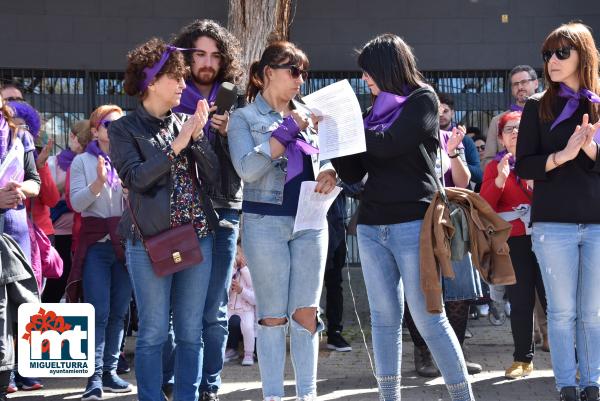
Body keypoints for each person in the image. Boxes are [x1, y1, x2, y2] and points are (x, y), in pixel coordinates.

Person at [331, 34, 475, 401]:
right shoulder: (369, 116)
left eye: (367, 73)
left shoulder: (422, 99)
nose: (365, 81)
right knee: (383, 321)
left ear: (386, 68)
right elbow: (352, 170)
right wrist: (333, 135)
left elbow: (392, 144)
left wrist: (352, 130)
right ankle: (388, 397)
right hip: (371, 225)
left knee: (428, 317)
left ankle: (462, 396)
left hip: (414, 223)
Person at [109, 37, 219, 401]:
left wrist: (199, 138)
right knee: (154, 331)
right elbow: (136, 179)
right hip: (149, 241)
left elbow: (215, 179)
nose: (184, 86)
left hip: (196, 234)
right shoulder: (123, 129)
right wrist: (179, 143)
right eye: (177, 78)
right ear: (151, 81)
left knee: (191, 331)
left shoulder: (186, 122)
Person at [228, 41, 337, 401]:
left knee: (306, 312)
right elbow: (247, 168)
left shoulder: (311, 113)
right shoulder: (244, 118)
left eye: (303, 72)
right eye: (294, 71)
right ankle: (273, 395)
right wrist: (287, 130)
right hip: (265, 223)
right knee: (272, 316)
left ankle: (307, 394)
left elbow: (329, 157)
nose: (300, 80)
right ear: (267, 74)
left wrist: (331, 172)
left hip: (310, 221)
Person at [515, 21, 600, 401]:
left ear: (584, 55)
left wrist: (590, 150)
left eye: (561, 53)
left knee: (593, 312)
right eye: (548, 54)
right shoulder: (536, 106)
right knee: (562, 312)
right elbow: (524, 165)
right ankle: (566, 384)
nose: (552, 60)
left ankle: (592, 384)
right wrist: (561, 156)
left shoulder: (598, 103)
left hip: (597, 223)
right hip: (553, 224)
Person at [171, 19, 245, 401]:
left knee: (215, 310)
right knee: (180, 311)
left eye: (215, 55)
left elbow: (247, 164)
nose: (207, 62)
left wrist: (231, 131)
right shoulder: (169, 97)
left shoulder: (237, 101)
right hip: (177, 214)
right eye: (199, 53)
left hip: (224, 210)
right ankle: (178, 381)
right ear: (186, 56)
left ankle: (209, 387)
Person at [68, 104, 133, 400]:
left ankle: (109, 372)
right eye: (108, 124)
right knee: (98, 313)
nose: (114, 129)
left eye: (119, 124)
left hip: (125, 244)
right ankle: (93, 377)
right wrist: (97, 182)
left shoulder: (127, 158)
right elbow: (77, 204)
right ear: (95, 129)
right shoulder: (82, 160)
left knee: (119, 313)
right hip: (96, 246)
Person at [480, 111, 547, 380]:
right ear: (501, 138)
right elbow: (485, 205)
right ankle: (523, 359)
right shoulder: (494, 166)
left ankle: (575, 359)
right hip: (515, 243)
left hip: (547, 238)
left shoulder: (543, 161)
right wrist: (498, 181)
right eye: (509, 129)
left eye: (520, 127)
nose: (515, 133)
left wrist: (535, 187)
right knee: (520, 302)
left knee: (554, 301)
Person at [0, 92, 41, 398]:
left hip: (15, 232)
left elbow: (34, 180)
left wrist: (20, 188)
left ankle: (19, 373)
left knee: (22, 307)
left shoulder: (18, 135)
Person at [43, 120, 93, 302]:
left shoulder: (94, 161)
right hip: (60, 231)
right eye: (81, 140)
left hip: (84, 230)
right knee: (58, 279)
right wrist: (74, 174)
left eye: (88, 143)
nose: (82, 146)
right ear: (71, 136)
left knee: (85, 281)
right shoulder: (54, 162)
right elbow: (50, 195)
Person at [481, 65, 539, 167]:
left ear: (536, 83)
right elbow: (486, 162)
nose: (520, 87)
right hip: (508, 180)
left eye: (524, 82)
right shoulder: (497, 121)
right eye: (515, 84)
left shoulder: (549, 115)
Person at [225, 242, 256, 366]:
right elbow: (223, 288)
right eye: (236, 253)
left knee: (248, 327)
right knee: (221, 325)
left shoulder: (251, 272)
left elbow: (254, 294)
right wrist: (232, 269)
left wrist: (241, 289)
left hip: (246, 308)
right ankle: (222, 350)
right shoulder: (230, 270)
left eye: (240, 254)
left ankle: (249, 353)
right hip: (230, 306)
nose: (238, 257)